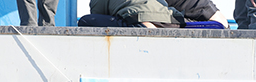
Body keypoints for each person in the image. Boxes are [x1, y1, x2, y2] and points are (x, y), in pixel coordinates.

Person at [87, 0, 228, 27]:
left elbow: (96, 14)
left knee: (87, 21)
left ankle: (144, 25)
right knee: (221, 23)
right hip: (167, 19)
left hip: (140, 19)